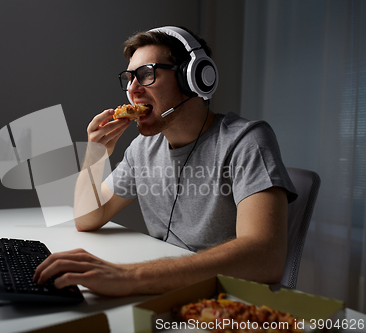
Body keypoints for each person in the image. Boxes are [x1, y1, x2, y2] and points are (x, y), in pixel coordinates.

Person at [33, 26, 297, 297]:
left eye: (146, 74)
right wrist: (94, 155)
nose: (133, 90)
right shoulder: (143, 149)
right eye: (129, 78)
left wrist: (130, 276)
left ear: (192, 78)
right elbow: (87, 218)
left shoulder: (245, 141)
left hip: (226, 298)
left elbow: (266, 258)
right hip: (166, 288)